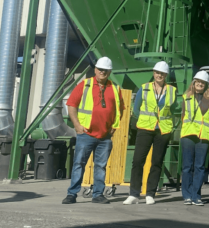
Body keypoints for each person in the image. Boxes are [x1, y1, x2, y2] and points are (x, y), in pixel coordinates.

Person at [62, 57, 125, 204]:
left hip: (105, 136)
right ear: (95, 70)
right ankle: (72, 194)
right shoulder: (85, 85)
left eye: (105, 70)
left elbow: (120, 110)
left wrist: (114, 127)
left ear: (109, 72)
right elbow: (71, 105)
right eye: (100, 69)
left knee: (101, 166)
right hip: (86, 134)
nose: (102, 72)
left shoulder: (115, 89)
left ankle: (98, 195)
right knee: (79, 164)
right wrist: (77, 126)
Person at [123, 61, 177, 205]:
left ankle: (150, 194)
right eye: (157, 73)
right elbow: (136, 109)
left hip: (163, 130)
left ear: (166, 75)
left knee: (157, 162)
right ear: (154, 73)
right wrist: (145, 120)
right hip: (145, 129)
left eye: (162, 73)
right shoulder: (144, 89)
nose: (160, 75)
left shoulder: (172, 90)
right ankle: (134, 194)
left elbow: (175, 109)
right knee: (137, 161)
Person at [179, 71, 209, 206]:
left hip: (204, 136)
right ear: (194, 83)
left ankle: (196, 196)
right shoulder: (186, 97)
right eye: (198, 82)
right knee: (187, 167)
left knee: (200, 167)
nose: (200, 84)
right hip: (188, 135)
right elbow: (183, 116)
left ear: (206, 84)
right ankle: (187, 195)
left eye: (202, 82)